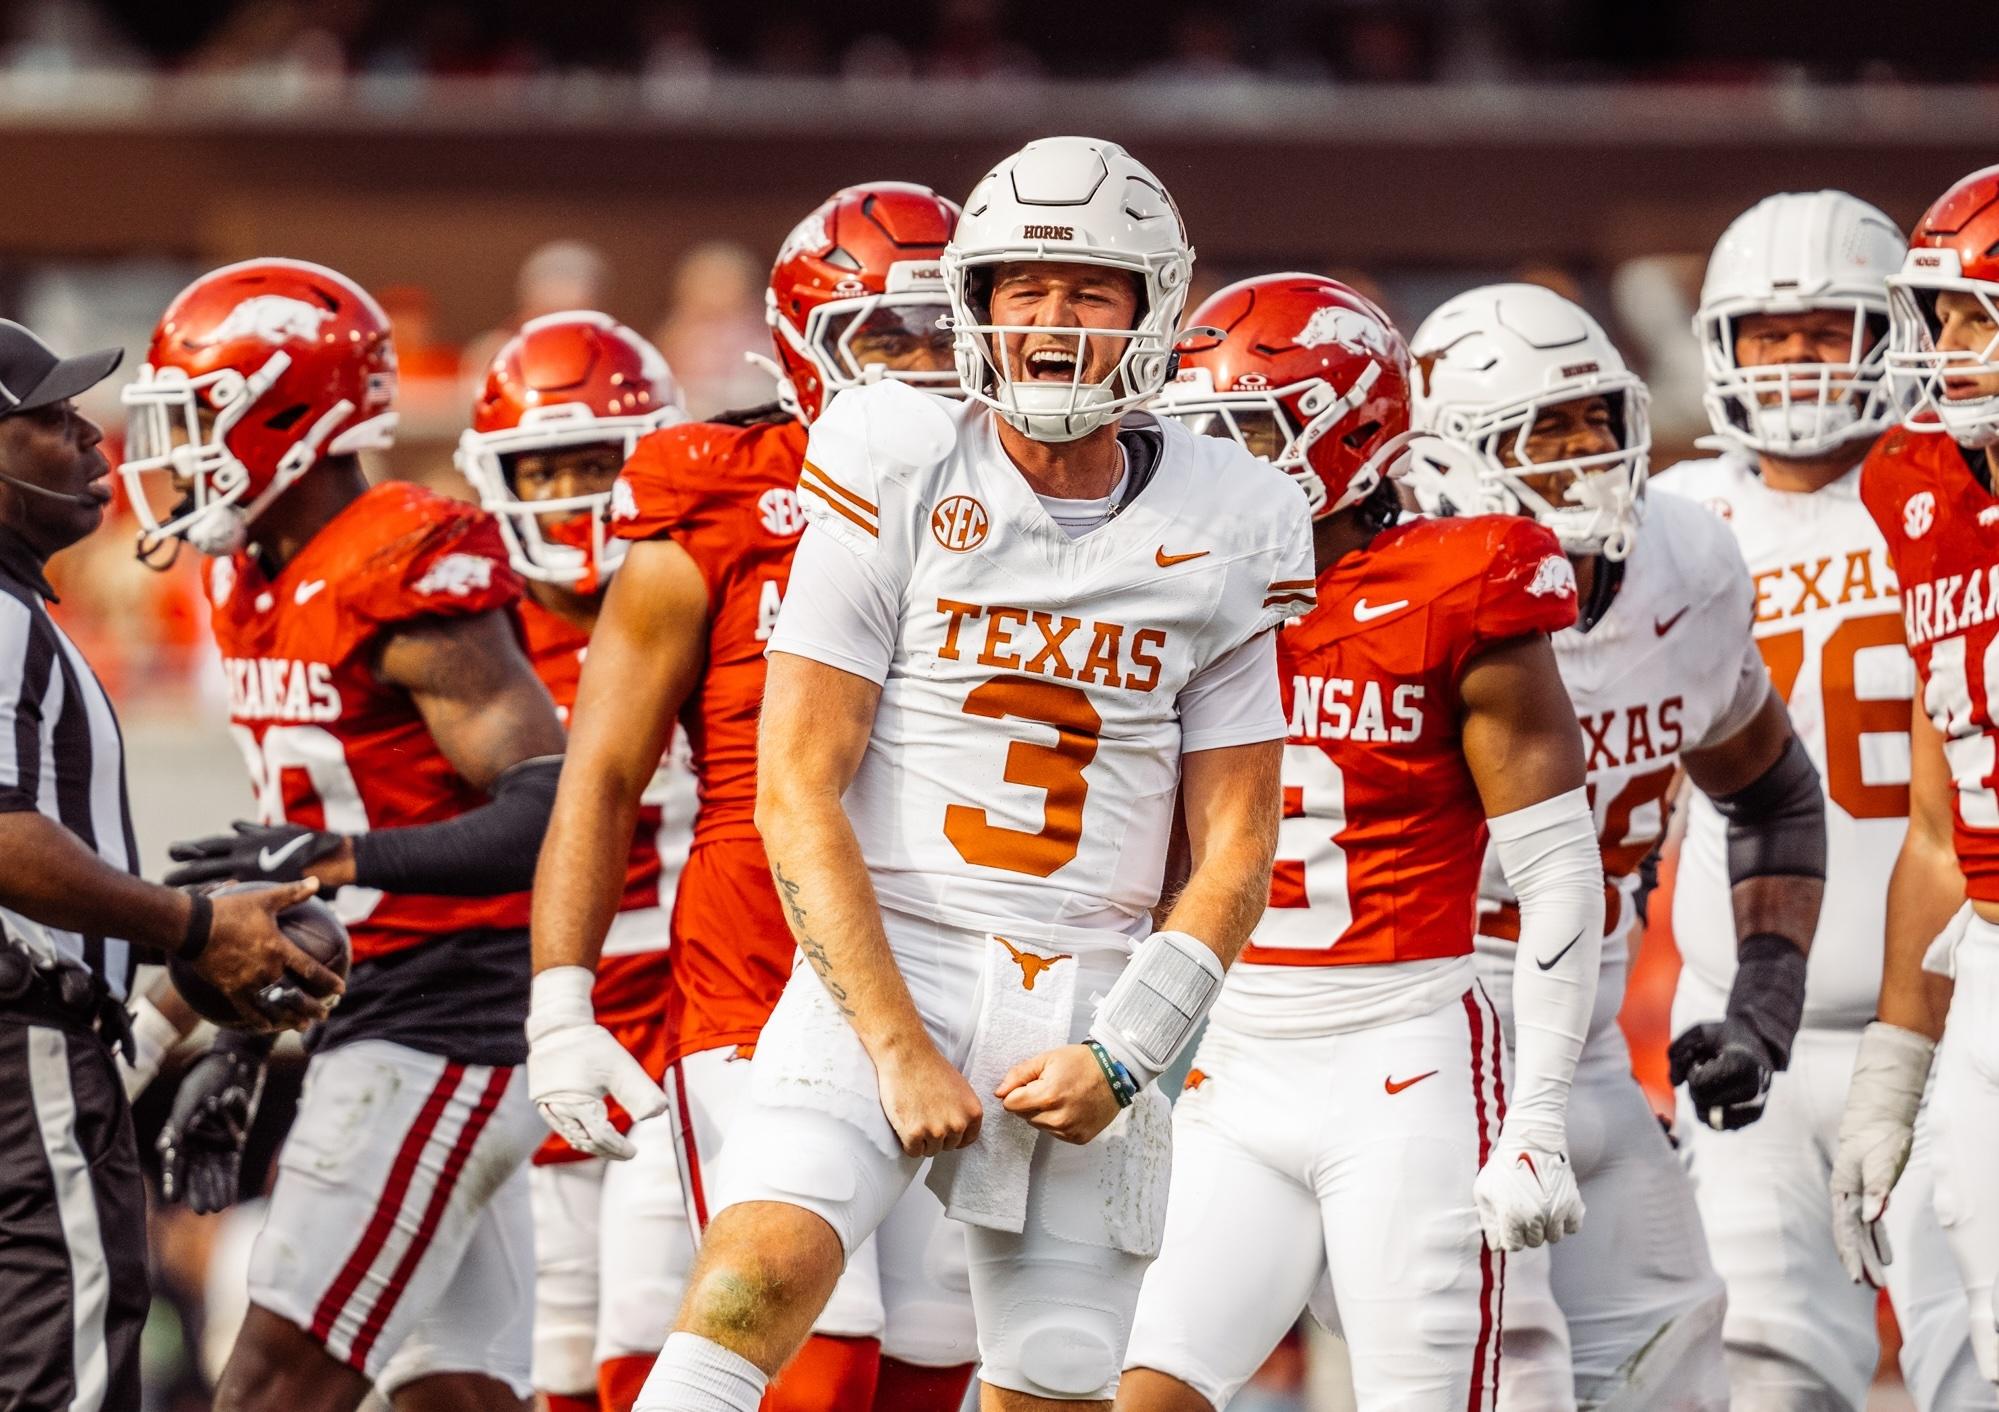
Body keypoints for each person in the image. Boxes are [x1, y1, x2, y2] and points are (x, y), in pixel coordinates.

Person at [627, 135, 1311, 1412]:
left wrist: (1127, 1054)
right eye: (1021, 289)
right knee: (749, 1280)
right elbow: (796, 786)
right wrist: (894, 1042)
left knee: (1053, 1375)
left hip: (1093, 985)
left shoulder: (1232, 512)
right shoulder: (891, 451)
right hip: (894, 951)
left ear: (1154, 306)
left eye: (1090, 290)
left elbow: (1235, 845)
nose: (1051, 321)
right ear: (976, 304)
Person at [526, 182, 979, 1412]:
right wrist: (560, 997)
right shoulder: (719, 491)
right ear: (802, 349)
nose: (926, 366)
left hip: (969, 953)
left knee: (941, 1358)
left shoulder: (1042, 497)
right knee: (811, 1342)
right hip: (758, 965)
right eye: (885, 337)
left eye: (949, 330)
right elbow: (605, 766)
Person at [1120, 273, 1603, 1411]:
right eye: (1203, 433)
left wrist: (1535, 1110)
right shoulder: (1172, 588)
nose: (1216, 465)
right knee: (1131, 1385)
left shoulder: (1459, 578)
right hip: (1232, 1058)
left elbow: (1554, 866)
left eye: (1249, 430)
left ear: (1354, 429)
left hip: (1406, 1056)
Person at [117, 257, 569, 1412]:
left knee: (267, 1385)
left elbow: (548, 802)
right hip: (371, 1019)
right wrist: (231, 1033)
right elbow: (293, 856)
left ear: (286, 413)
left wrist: (346, 862)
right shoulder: (249, 574)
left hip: (442, 1029)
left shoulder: (399, 557)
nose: (171, 452)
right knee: (453, 1396)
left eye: (199, 415)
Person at [1410, 282, 1827, 1409]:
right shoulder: (1395, 590)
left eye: (1597, 419)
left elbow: (1774, 794)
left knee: (1676, 1356)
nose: (1586, 453)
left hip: (1583, 1042)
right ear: (1448, 453)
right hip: (1414, 1043)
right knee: (1504, 1370)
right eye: (1544, 430)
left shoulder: (1686, 563)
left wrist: (1764, 1005)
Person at [1656, 190, 1995, 1410]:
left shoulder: (1949, 488)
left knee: (1977, 1353)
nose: (1796, 359)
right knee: (1764, 1367)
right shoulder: (1671, 518)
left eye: (1827, 329)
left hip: (1955, 1009)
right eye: (1769, 333)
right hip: (1745, 1019)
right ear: (1720, 346)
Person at [0, 317, 337, 1412]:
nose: (89, 437)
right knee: (69, 1373)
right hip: (23, 1053)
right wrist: (192, 927)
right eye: (47, 419)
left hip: (41, 1041)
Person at [456, 309, 696, 1412]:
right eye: (541, 467)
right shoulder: (471, 629)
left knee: (661, 1340)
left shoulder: (715, 586)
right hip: (537, 1013)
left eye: (597, 464)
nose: (568, 494)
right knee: (549, 1357)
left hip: (697, 1008)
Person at [1833, 161, 1999, 1388]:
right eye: (1936, 316)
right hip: (1983, 956)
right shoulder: (1917, 485)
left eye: (1975, 316)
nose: (1948, 349)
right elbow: (1938, 821)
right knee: (1946, 1311)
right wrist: (1892, 1075)